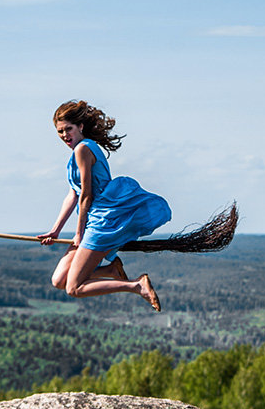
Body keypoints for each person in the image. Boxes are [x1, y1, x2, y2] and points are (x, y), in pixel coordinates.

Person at [37, 100, 170, 311]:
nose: (64, 136)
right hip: (93, 222)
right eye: (60, 132)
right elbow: (73, 195)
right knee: (59, 280)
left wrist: (79, 234)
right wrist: (55, 230)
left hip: (101, 223)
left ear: (80, 126)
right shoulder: (79, 152)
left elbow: (86, 197)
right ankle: (111, 272)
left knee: (74, 288)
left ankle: (137, 285)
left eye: (68, 129)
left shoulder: (83, 149)